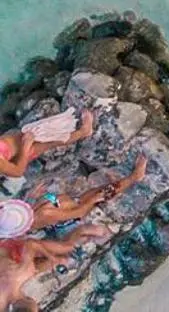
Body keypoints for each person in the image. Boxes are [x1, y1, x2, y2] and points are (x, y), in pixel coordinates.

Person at [9, 157, 146, 233]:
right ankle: (135, 177)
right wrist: (92, 200)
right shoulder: (45, 214)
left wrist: (38, 196)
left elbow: (51, 201)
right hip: (77, 208)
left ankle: (114, 185)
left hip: (69, 202)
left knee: (96, 191)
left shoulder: (27, 212)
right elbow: (78, 213)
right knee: (103, 193)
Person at [0, 223, 111, 312]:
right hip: (10, 259)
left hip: (7, 246)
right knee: (53, 264)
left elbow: (31, 244)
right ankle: (67, 256)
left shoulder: (21, 274)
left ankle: (82, 230)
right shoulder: (20, 278)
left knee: (66, 248)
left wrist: (52, 257)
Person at [0, 110, 94, 180]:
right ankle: (84, 132)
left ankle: (72, 124)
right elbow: (18, 172)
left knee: (49, 131)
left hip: (19, 140)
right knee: (55, 141)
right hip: (25, 150)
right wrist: (26, 146)